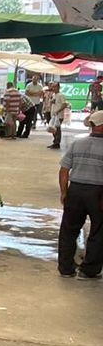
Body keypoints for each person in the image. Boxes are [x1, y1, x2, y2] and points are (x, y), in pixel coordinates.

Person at [57, 111, 103, 279]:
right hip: (98, 193)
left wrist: (64, 192)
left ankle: (66, 268)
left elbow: (64, 170)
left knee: (69, 229)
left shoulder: (77, 144)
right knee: (98, 231)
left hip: (75, 190)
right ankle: (88, 270)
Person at [47, 82, 70, 149]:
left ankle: (57, 143)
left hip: (59, 116)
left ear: (58, 87)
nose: (53, 88)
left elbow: (64, 104)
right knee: (53, 129)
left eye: (55, 87)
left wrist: (58, 111)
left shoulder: (61, 95)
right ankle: (55, 142)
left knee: (57, 129)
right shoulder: (54, 95)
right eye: (52, 87)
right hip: (53, 115)